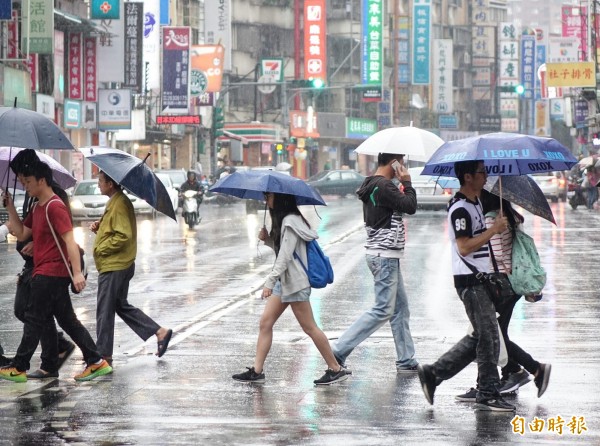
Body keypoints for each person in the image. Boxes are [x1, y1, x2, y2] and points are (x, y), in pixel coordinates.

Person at [416, 160, 516, 412]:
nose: (486, 176)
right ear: (468, 176)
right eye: (482, 172)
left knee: (481, 337)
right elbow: (464, 246)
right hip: (471, 282)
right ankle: (488, 393)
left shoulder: (476, 203)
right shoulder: (460, 208)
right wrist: (494, 229)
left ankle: (434, 374)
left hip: (482, 279)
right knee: (489, 337)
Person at [0, 161, 112, 383]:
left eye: (29, 182)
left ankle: (19, 366)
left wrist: (78, 273)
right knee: (68, 321)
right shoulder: (39, 207)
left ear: (42, 180)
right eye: (23, 182)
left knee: (33, 318)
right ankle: (96, 361)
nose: (26, 186)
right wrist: (10, 207)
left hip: (51, 272)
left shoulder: (54, 206)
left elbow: (70, 240)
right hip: (47, 271)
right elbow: (22, 233)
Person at [232, 192, 350, 385]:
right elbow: (286, 252)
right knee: (265, 323)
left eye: (268, 197)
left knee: (309, 327)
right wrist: (268, 239)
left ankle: (335, 369)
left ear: (280, 199)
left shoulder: (291, 222)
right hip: (285, 282)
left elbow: (285, 258)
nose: (266, 200)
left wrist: (269, 283)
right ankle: (257, 371)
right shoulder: (286, 221)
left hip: (295, 283)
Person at [454, 189, 551, 402]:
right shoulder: (510, 215)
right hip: (510, 283)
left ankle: (532, 370)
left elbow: (492, 256)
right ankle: (504, 377)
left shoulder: (491, 220)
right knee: (493, 335)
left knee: (489, 336)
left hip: (499, 285)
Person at [332, 153, 419, 373]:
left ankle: (406, 359)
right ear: (394, 163)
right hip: (384, 256)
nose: (404, 166)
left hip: (383, 254)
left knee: (400, 309)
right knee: (383, 310)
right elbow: (410, 205)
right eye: (401, 161)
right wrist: (407, 182)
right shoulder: (383, 186)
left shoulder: (372, 183)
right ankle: (338, 351)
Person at [90, 172, 173, 367]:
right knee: (119, 305)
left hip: (115, 264)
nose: (98, 184)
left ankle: (103, 357)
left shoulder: (119, 203)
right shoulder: (116, 201)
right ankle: (159, 332)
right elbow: (114, 230)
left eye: (101, 181)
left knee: (104, 310)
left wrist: (101, 248)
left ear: (111, 184)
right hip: (119, 263)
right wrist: (100, 229)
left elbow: (123, 236)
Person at [9, 149, 76, 379]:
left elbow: (63, 233)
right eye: (19, 179)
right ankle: (59, 352)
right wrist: (9, 207)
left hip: (48, 266)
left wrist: (37, 242)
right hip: (34, 265)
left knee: (37, 314)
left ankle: (31, 363)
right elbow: (23, 231)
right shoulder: (33, 198)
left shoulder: (52, 197)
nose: (22, 182)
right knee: (38, 313)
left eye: (24, 178)